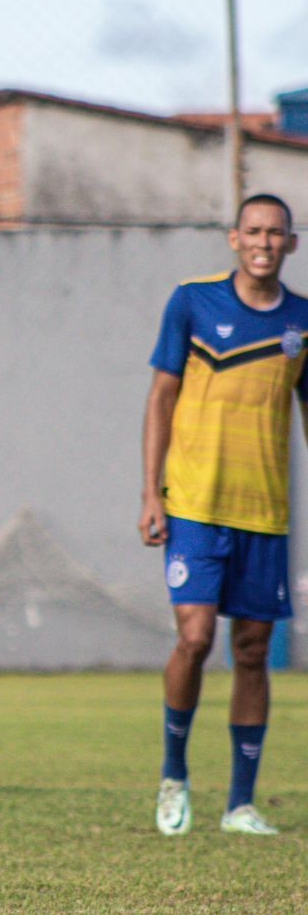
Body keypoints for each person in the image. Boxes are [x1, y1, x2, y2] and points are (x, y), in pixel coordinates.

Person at [140, 193, 305, 837]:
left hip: (264, 510)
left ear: (291, 244)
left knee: (254, 649)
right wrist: (151, 494)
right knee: (195, 637)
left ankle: (240, 803)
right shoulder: (191, 302)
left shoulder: (303, 323)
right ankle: (174, 775)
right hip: (194, 504)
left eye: (277, 234)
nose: (265, 242)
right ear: (234, 238)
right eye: (254, 231)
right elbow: (160, 398)